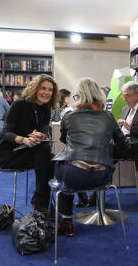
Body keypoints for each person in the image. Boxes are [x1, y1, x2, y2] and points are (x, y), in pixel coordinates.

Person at [53, 77, 129, 236]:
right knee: (70, 168)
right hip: (102, 177)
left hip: (73, 174)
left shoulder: (69, 116)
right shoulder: (108, 117)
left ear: (79, 95)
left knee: (63, 169)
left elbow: (63, 140)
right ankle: (85, 200)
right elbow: (123, 144)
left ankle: (66, 219)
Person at [0, 74, 60, 215]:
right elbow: (6, 132)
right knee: (46, 153)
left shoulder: (46, 109)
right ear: (35, 88)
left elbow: (43, 129)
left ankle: (41, 200)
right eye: (43, 88)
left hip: (29, 152)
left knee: (51, 157)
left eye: (50, 90)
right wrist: (25, 140)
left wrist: (40, 135)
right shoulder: (19, 104)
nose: (47, 92)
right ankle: (41, 201)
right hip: (8, 153)